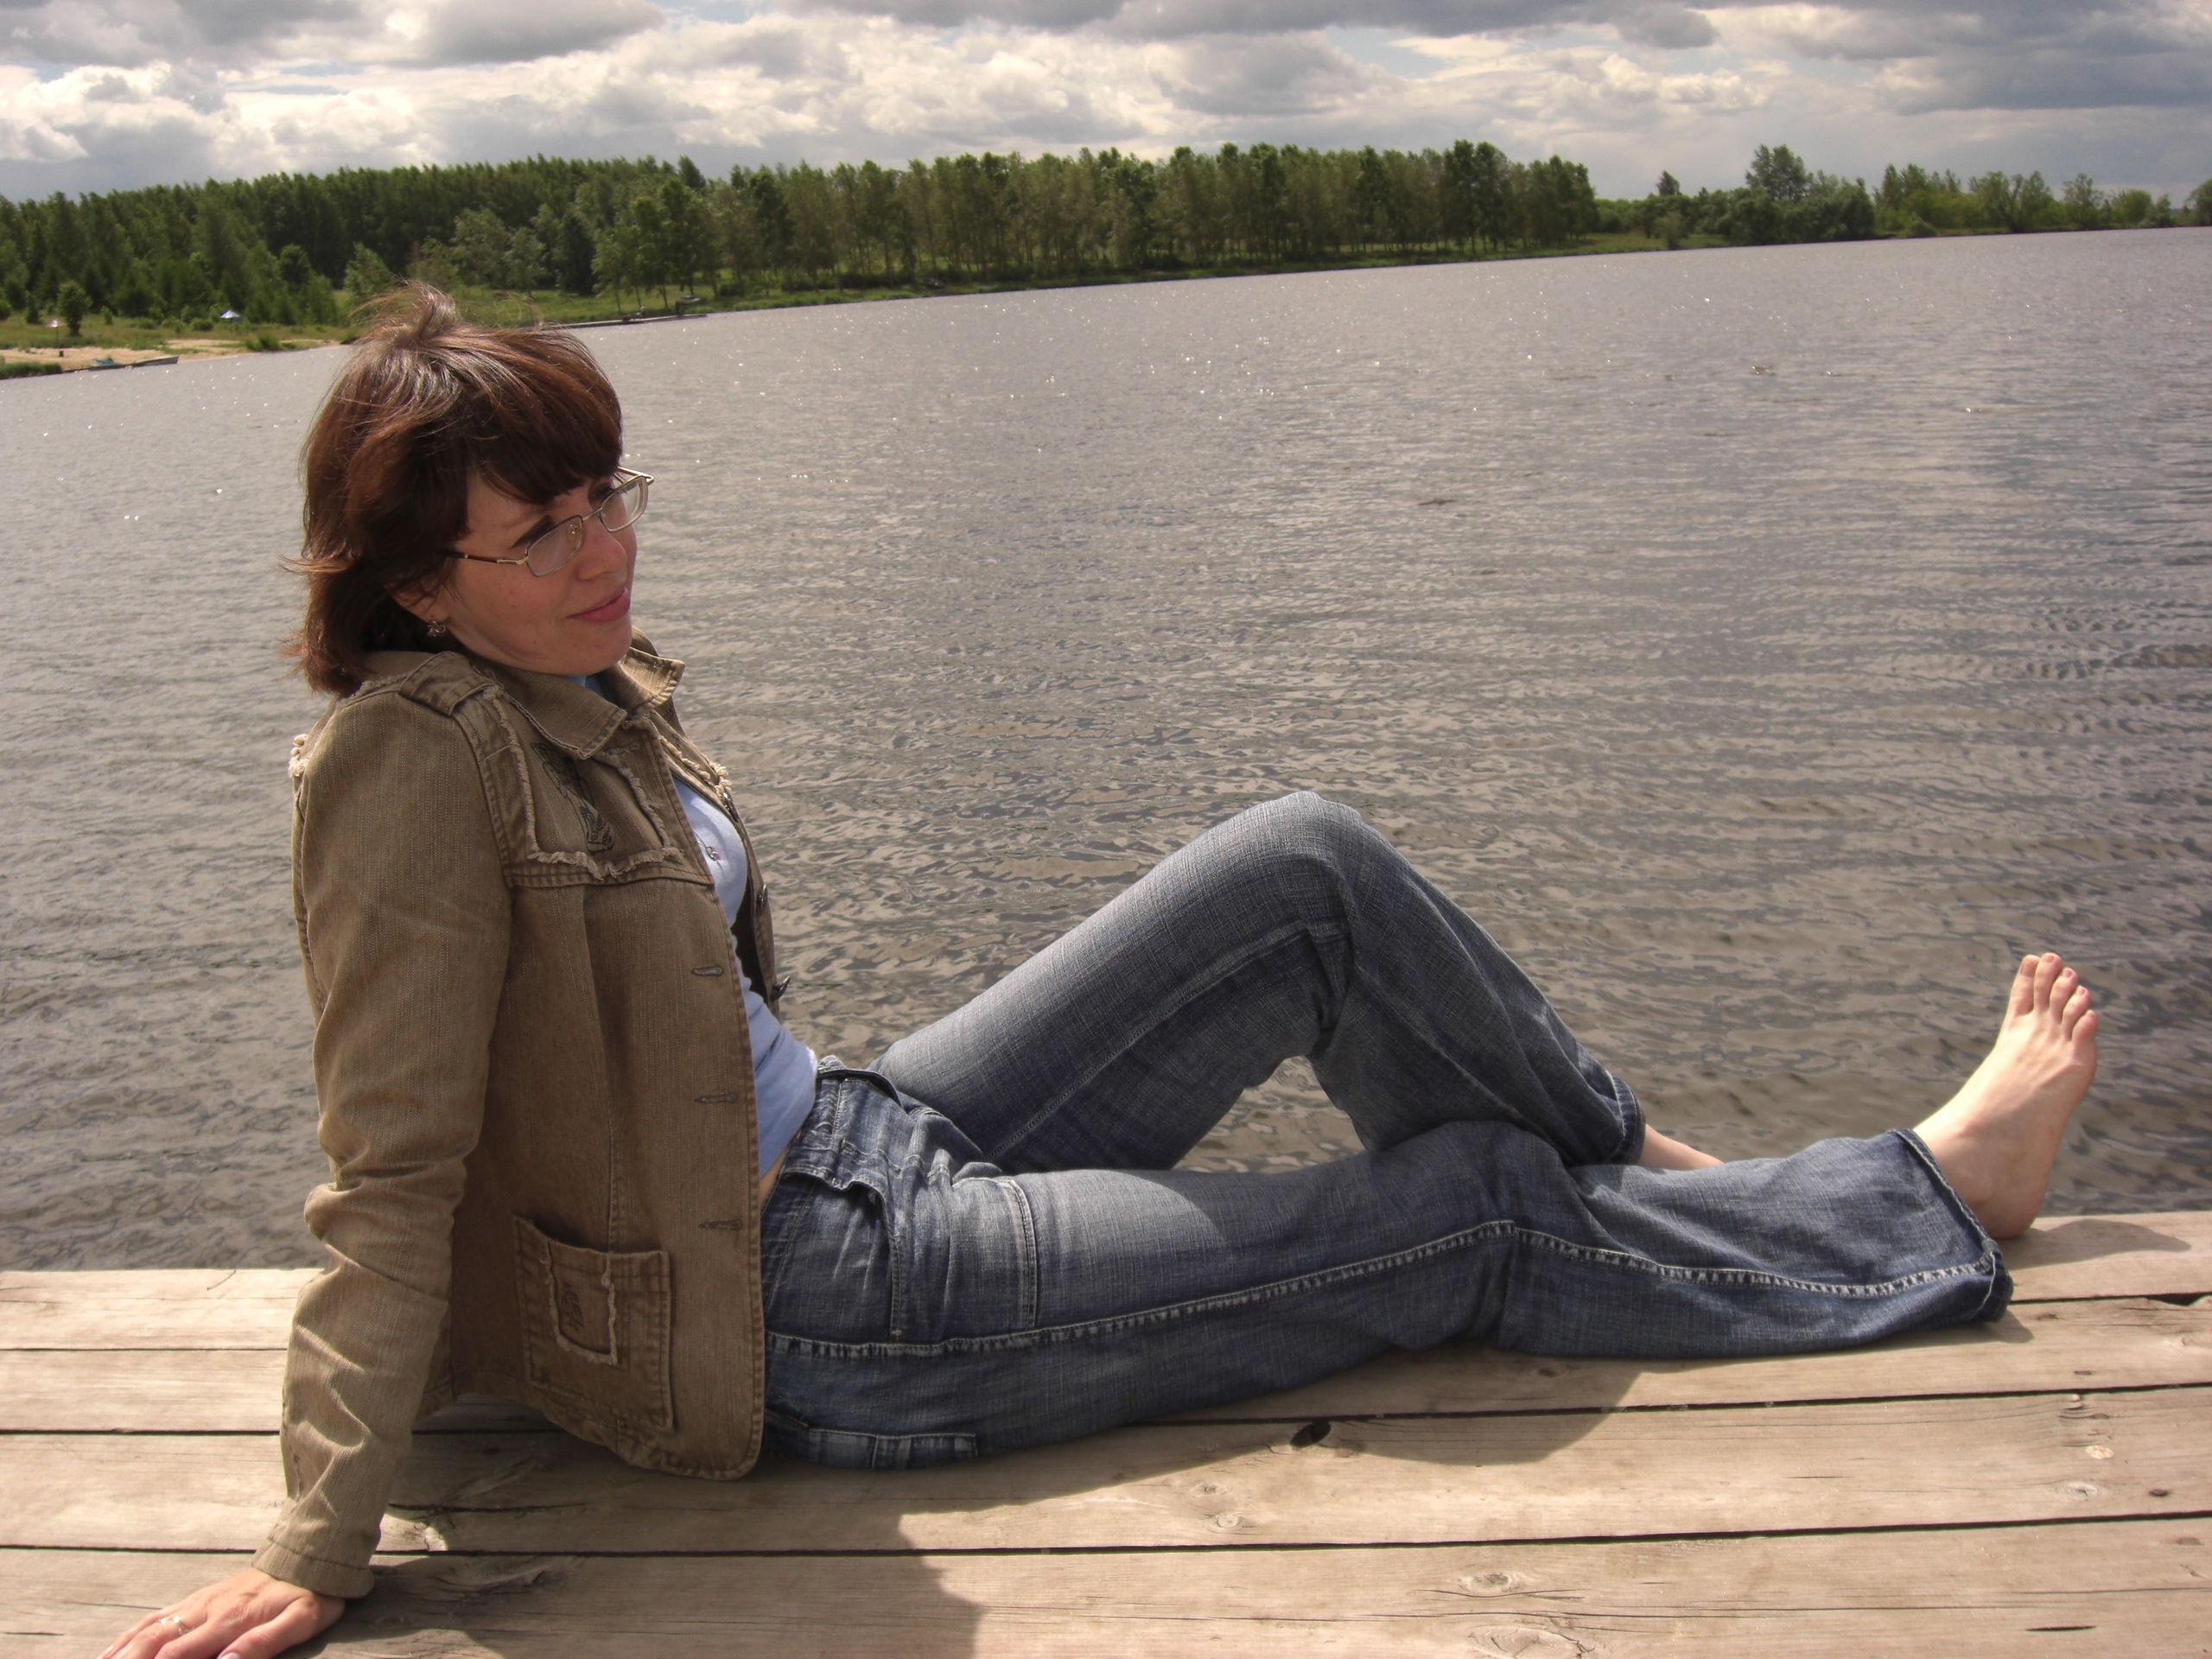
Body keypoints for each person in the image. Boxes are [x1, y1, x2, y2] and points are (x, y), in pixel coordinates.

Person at [100, 288, 2099, 1659]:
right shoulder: (407, 766)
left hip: (863, 1136)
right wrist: (315, 1543)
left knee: (1302, 870)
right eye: (542, 530)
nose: (603, 548)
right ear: (415, 582)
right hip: (811, 1310)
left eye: (608, 493)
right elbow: (388, 1163)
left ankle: (1656, 1177)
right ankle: (1910, 1203)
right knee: (1467, 1211)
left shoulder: (566, 685)